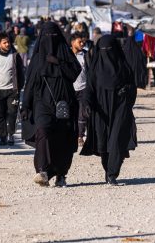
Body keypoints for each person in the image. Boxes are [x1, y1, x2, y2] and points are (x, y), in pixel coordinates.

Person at [21, 21, 81, 187]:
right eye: (47, 36)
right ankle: (43, 170)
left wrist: (58, 62)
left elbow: (75, 73)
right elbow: (30, 82)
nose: (51, 39)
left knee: (63, 138)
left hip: (64, 103)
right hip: (42, 103)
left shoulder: (66, 54)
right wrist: (25, 104)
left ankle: (61, 174)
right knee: (43, 132)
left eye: (54, 35)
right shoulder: (38, 57)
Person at [80, 35, 137, 185]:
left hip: (120, 107)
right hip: (101, 110)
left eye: (109, 50)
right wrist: (86, 103)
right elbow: (89, 89)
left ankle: (112, 173)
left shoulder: (124, 66)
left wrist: (127, 91)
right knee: (104, 143)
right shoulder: (95, 68)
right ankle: (108, 170)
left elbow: (133, 86)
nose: (107, 53)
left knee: (117, 140)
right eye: (103, 50)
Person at [0, 32, 24, 146]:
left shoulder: (15, 56)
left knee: (12, 114)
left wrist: (19, 88)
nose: (7, 44)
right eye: (5, 42)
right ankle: (3, 137)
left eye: (8, 42)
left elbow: (21, 73)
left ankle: (11, 134)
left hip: (12, 90)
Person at [70, 31, 89, 146]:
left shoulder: (86, 55)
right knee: (70, 113)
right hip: (70, 89)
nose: (82, 43)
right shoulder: (66, 54)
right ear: (73, 42)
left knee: (82, 113)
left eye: (83, 42)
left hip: (83, 88)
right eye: (79, 41)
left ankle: (80, 136)